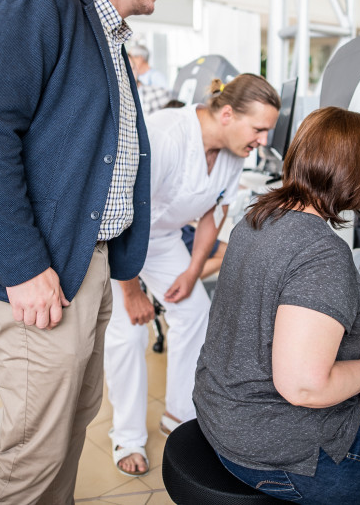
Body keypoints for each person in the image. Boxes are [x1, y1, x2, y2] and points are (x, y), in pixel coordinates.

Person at [0, 0, 177, 504]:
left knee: (73, 423)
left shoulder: (110, 39)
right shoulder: (44, 4)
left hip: (86, 258)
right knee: (33, 447)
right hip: (38, 266)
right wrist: (22, 267)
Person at [194, 107, 360, 505]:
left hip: (223, 414)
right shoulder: (321, 253)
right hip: (274, 446)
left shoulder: (258, 218)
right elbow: (303, 385)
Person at [105, 73, 280, 477]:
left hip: (162, 238)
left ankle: (179, 415)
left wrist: (192, 270)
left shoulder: (234, 152)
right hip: (117, 236)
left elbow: (213, 212)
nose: (262, 140)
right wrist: (132, 292)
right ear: (226, 113)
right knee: (128, 331)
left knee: (195, 310)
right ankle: (128, 436)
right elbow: (124, 214)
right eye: (258, 129)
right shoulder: (166, 135)